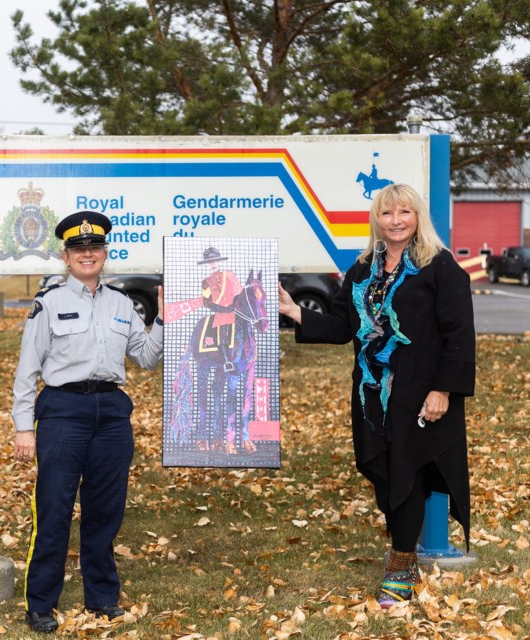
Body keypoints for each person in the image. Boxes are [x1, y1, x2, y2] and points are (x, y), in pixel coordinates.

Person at [277, 183, 475, 608]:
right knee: (385, 475)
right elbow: (341, 327)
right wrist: (295, 312)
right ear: (377, 220)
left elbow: (459, 334)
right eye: (388, 214)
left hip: (421, 395)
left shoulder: (439, 268)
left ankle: (401, 566)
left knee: (408, 474)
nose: (396, 220)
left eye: (405, 212)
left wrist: (443, 389)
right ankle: (404, 554)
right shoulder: (363, 270)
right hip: (372, 397)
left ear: (417, 217)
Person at [12, 211, 164, 633]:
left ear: (104, 253)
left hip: (112, 414)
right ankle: (40, 603)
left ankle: (102, 598)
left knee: (105, 512)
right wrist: (24, 426)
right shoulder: (49, 303)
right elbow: (27, 369)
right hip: (63, 412)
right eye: (79, 249)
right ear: (66, 256)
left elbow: (147, 358)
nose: (87, 254)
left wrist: (165, 319)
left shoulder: (121, 302)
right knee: (54, 510)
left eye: (94, 248)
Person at [198, 247, 243, 372]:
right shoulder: (206, 282)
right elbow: (207, 302)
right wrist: (222, 309)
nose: (212, 264)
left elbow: (239, 292)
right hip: (221, 313)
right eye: (209, 262)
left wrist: (233, 306)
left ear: (219, 261)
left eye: (214, 260)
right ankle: (227, 362)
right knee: (221, 335)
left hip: (235, 310)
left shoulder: (230, 275)